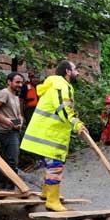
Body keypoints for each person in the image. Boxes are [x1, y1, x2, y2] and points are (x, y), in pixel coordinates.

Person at [20, 60, 90, 211]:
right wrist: (77, 124)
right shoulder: (60, 85)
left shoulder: (57, 84)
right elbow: (64, 110)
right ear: (68, 72)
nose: (78, 73)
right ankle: (52, 200)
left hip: (49, 131)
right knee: (55, 165)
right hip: (50, 133)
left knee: (50, 163)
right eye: (75, 69)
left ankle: (46, 193)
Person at [0, 72, 25, 190]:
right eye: (17, 82)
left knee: (6, 160)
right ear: (9, 82)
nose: (20, 84)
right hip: (6, 132)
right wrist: (4, 120)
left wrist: (21, 120)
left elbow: (19, 114)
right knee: (13, 161)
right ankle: (10, 189)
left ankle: (1, 187)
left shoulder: (15, 96)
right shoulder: (4, 93)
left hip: (14, 131)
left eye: (21, 82)